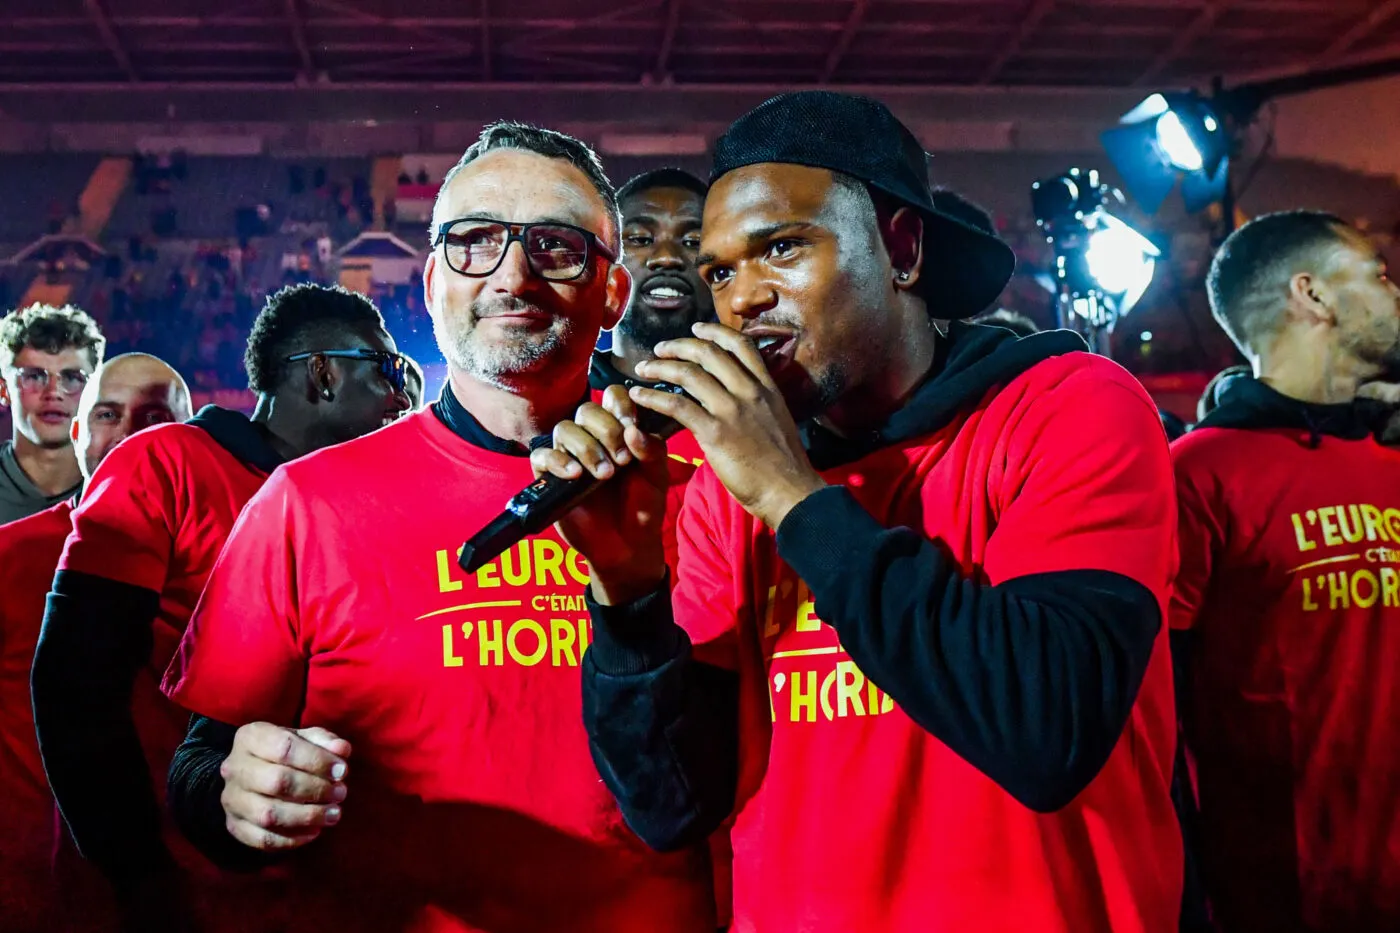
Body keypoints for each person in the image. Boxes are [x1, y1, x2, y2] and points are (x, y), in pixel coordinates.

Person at [536, 91, 1183, 931]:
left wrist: (792, 496)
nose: (743, 300)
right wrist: (628, 595)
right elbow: (673, 805)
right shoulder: (730, 490)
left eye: (781, 248)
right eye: (722, 273)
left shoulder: (1071, 406)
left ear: (901, 247)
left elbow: (1046, 729)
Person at [160, 123, 717, 933]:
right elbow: (200, 763)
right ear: (430, 284)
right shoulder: (305, 504)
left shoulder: (710, 485)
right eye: (474, 242)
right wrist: (236, 797)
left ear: (614, 293)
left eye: (556, 247)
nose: (512, 275)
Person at [30, 283, 409, 929]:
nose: (402, 395)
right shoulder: (165, 463)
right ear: (323, 372)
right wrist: (140, 874)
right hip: (178, 889)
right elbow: (74, 687)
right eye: (386, 369)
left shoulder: (370, 497)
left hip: (321, 891)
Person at [1171, 210, 1400, 932]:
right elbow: (1158, 709)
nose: (1394, 293)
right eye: (1378, 275)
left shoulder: (1391, 451)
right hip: (1278, 894)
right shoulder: (1197, 473)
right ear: (1313, 294)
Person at [0, 353, 190, 933]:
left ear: (191, 438)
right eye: (108, 414)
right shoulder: (8, 558)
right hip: (37, 895)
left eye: (155, 415)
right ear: (79, 434)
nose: (131, 433)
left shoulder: (240, 555)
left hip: (201, 890)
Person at [590, 168, 714, 469]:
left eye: (693, 241)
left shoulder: (757, 408)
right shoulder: (560, 406)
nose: (667, 257)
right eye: (641, 238)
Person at [0, 304, 105, 524]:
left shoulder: (118, 490)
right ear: (4, 390)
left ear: (95, 390)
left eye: (72, 377)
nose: (53, 392)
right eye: (34, 376)